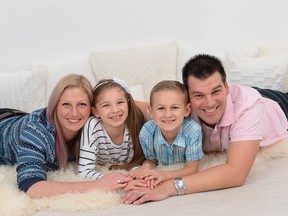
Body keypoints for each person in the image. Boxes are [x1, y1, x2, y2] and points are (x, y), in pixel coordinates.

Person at [121, 54, 288, 204]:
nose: (209, 103)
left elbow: (236, 173)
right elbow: (132, 106)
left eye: (216, 91)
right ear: (187, 98)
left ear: (226, 88)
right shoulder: (175, 110)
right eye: (199, 95)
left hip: (277, 104)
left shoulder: (249, 104)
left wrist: (169, 187)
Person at [0, 74, 131, 199]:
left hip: (17, 116)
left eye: (82, 104)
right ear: (55, 106)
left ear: (92, 109)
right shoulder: (36, 133)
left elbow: (130, 104)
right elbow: (31, 187)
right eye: (66, 104)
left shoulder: (94, 119)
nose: (74, 113)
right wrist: (98, 184)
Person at [128, 80, 203, 189]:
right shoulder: (147, 132)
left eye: (175, 107)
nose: (168, 114)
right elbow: (152, 160)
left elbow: (192, 169)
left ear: (187, 110)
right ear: (151, 111)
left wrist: (164, 175)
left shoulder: (193, 131)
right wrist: (145, 169)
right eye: (161, 108)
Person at [78, 78, 147, 191]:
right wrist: (120, 182)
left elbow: (135, 163)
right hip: (102, 166)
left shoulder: (133, 122)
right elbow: (84, 171)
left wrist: (137, 177)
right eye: (106, 105)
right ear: (95, 111)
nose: (115, 110)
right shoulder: (93, 126)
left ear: (128, 103)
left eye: (120, 102)